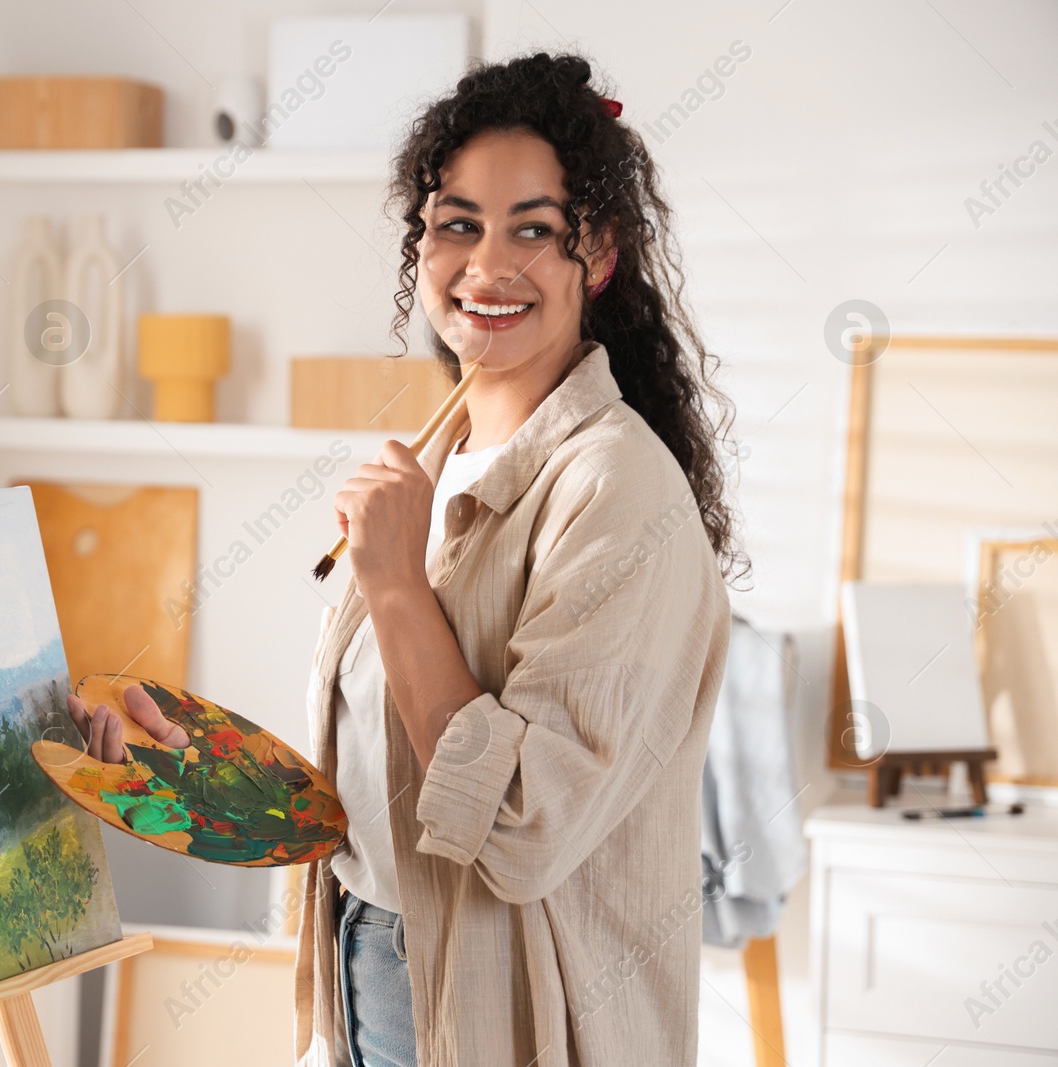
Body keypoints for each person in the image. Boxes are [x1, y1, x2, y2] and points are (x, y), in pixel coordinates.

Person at [66, 51, 746, 1067]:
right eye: (457, 222)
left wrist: (392, 581)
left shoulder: (615, 488)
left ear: (595, 255)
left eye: (533, 228)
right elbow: (377, 783)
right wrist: (177, 763)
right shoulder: (434, 455)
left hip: (504, 1006)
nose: (486, 264)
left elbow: (520, 820)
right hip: (366, 960)